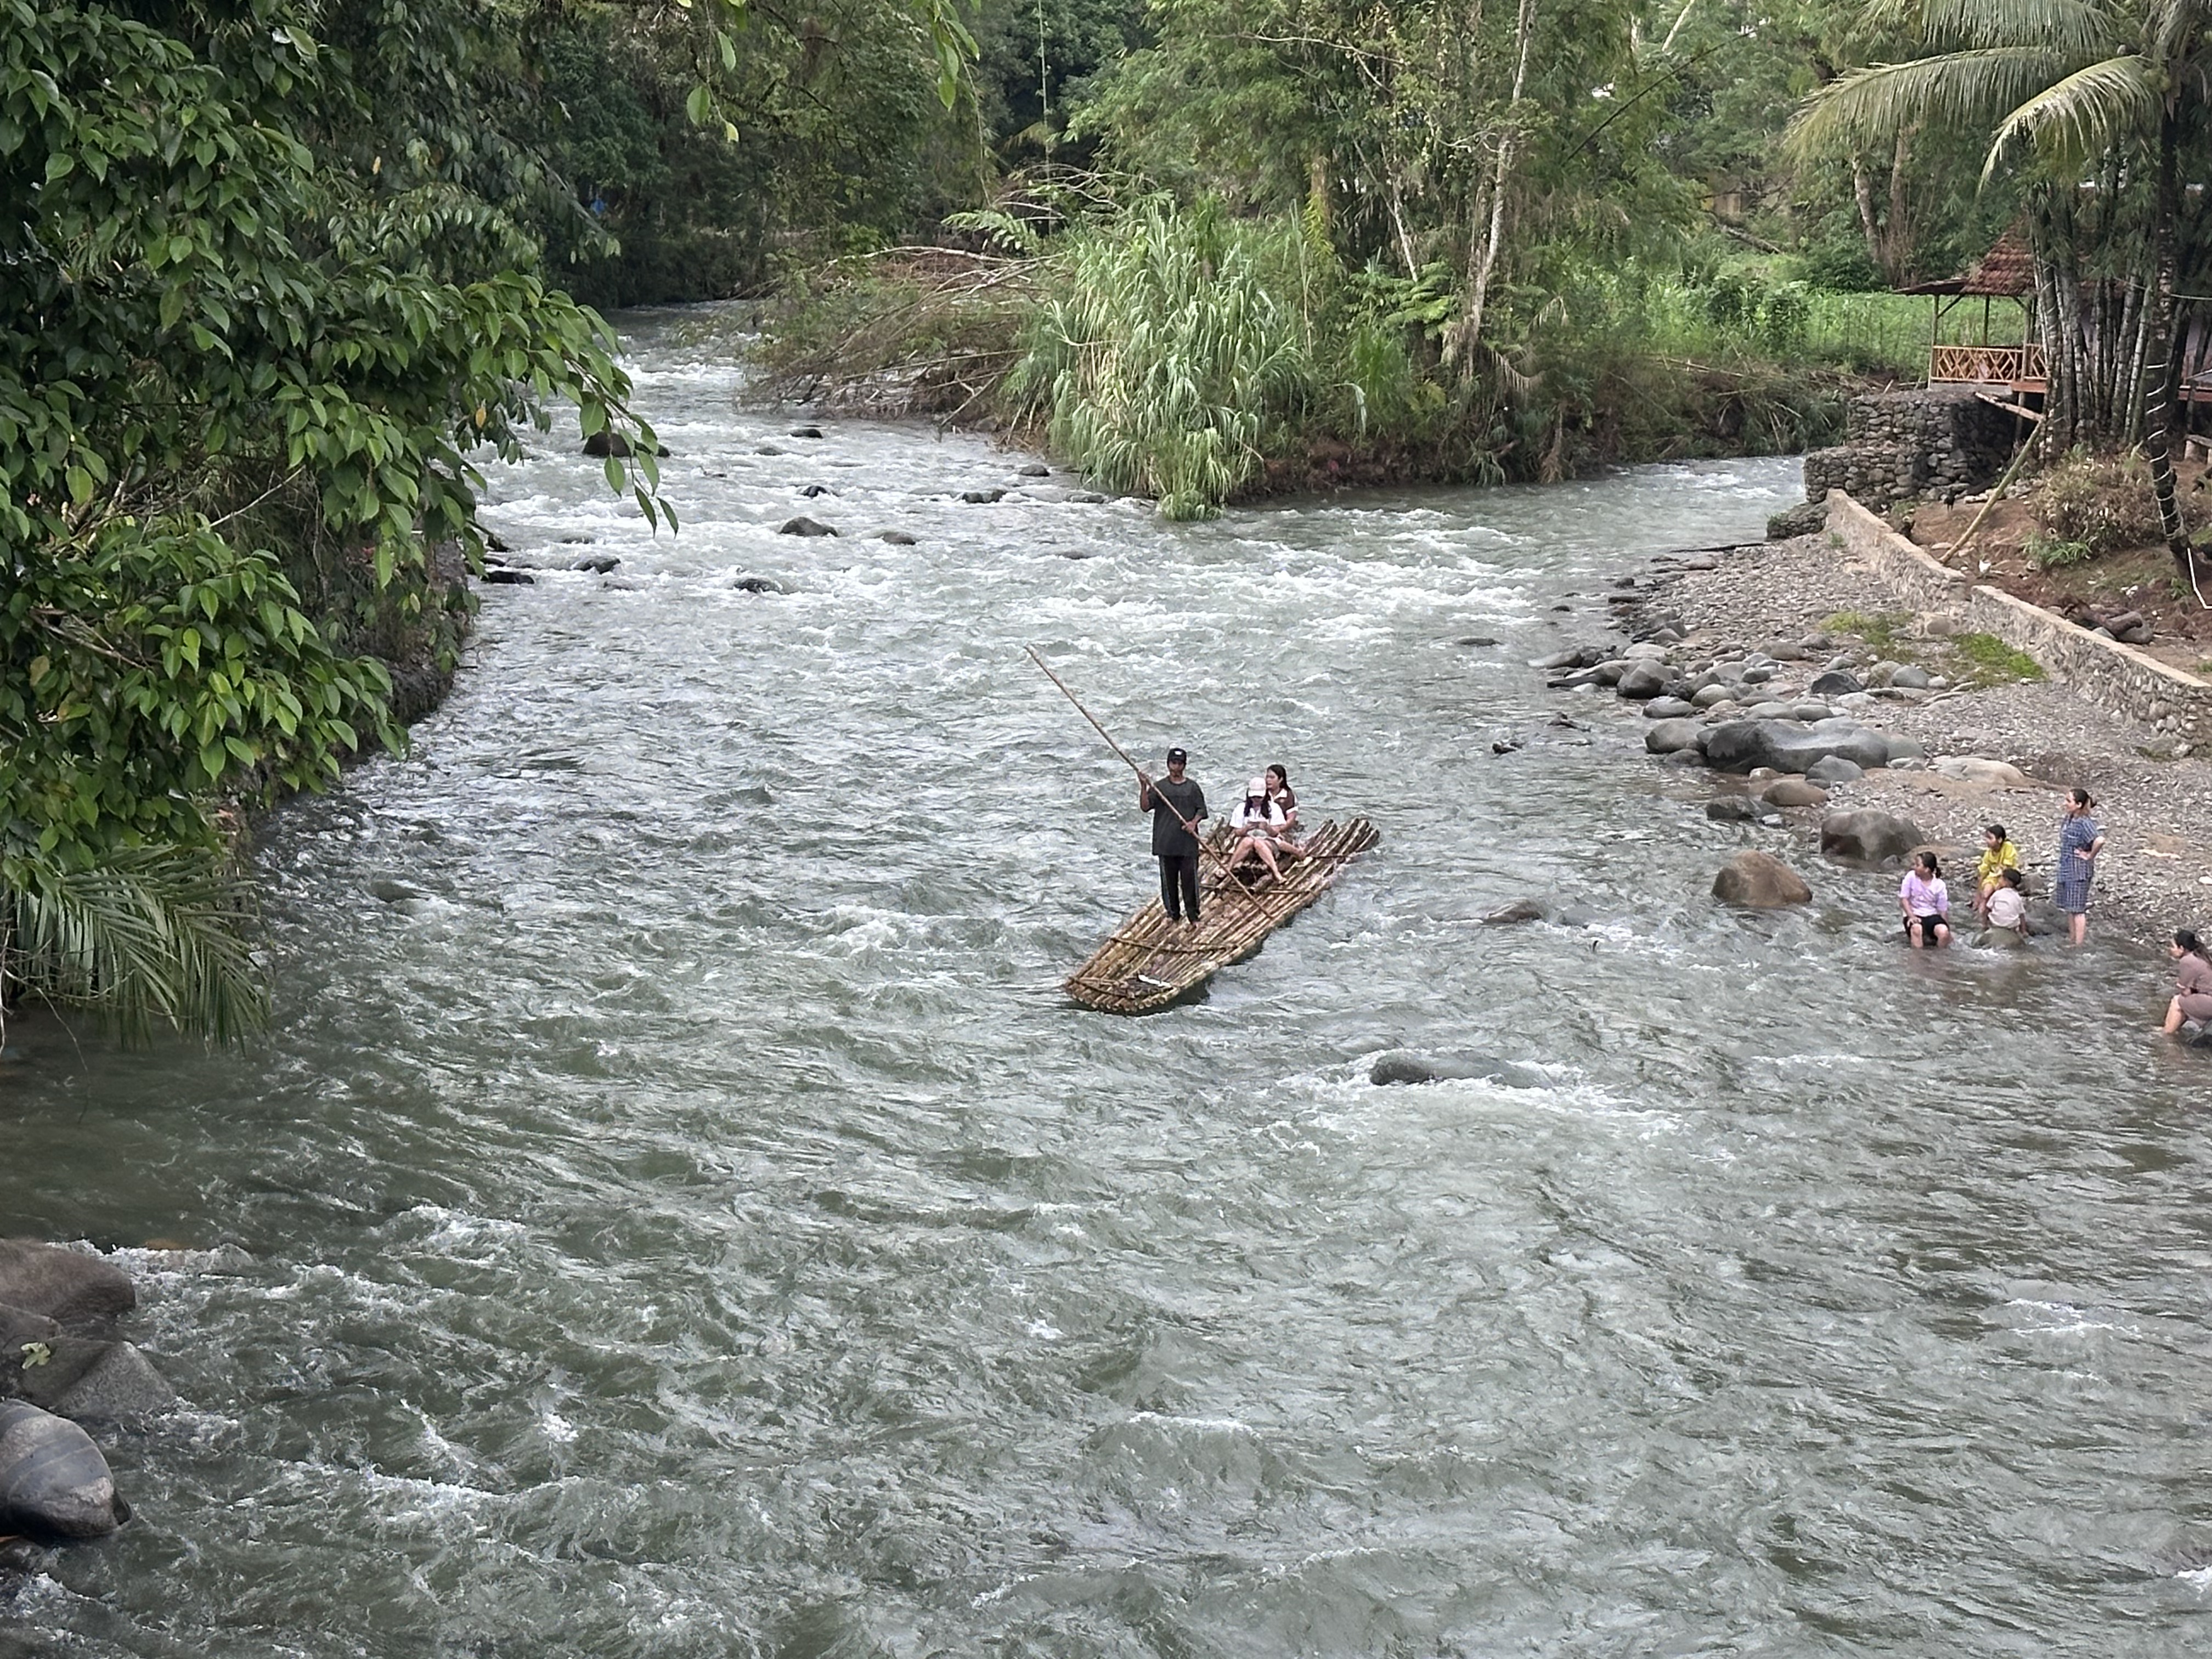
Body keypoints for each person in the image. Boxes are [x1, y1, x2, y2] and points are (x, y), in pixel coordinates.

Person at [1137, 747, 1207, 928]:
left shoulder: (1192, 787)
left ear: (1184, 765)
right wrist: (1143, 787)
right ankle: (1172, 914)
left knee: (1189, 881)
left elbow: (1202, 810)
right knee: (1168, 882)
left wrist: (1193, 823)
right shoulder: (1160, 787)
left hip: (1187, 844)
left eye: (1179, 763)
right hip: (1166, 842)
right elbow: (1145, 807)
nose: (1176, 767)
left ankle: (1194, 916)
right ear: (1168, 764)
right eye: (1173, 763)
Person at [2055, 788, 2106, 946]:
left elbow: (2100, 840)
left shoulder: (2085, 822)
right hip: (2066, 868)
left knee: (2078, 909)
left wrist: (2090, 856)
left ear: (2078, 804)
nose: (2065, 803)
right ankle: (2072, 939)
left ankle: (2079, 944)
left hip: (2079, 871)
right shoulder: (2069, 818)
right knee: (2070, 907)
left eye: (2069, 801)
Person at [1229, 776, 1289, 883]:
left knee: (1259, 843)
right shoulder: (1241, 808)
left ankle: (1276, 873)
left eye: (1259, 797)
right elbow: (1236, 832)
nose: (1256, 800)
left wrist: (1267, 828)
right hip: (1247, 844)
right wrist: (1246, 829)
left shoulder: (1273, 808)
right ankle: (1229, 868)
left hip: (1268, 843)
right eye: (1254, 797)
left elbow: (1276, 833)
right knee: (1249, 841)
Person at [2159, 929, 2212, 1035]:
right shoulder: (2202, 955)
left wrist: (2190, 990)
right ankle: (2172, 1028)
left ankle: (2166, 1034)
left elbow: (2183, 990)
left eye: (2173, 947)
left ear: (2182, 948)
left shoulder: (2187, 961)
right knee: (2187, 1000)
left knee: (2177, 1001)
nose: (2171, 950)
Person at [1899, 850, 1951, 948]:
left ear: (1927, 869)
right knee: (1916, 929)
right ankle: (1918, 959)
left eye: (1918, 865)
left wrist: (1948, 930)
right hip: (1915, 914)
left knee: (1943, 932)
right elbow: (1904, 899)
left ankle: (1939, 959)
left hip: (1932, 916)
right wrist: (1911, 916)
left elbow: (1942, 910)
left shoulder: (1939, 885)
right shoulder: (1911, 877)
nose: (1914, 867)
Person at [1973, 823, 2021, 919]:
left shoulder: (2008, 847)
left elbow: (2006, 867)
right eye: (1987, 838)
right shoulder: (1989, 853)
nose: (1987, 841)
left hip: (2007, 876)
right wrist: (1978, 895)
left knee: (1996, 894)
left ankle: (1990, 914)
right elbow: (1983, 873)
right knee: (1986, 894)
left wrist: (1998, 887)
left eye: (1990, 838)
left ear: (1999, 840)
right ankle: (1982, 918)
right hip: (1994, 876)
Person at [1264, 764, 1303, 859]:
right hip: (1265, 827)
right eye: (1267, 777)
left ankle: (1298, 852)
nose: (1268, 780)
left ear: (1281, 779)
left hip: (1282, 828)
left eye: (1272, 777)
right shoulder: (1262, 794)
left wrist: (1279, 829)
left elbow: (1291, 819)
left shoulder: (1288, 796)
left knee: (1279, 841)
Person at [1985, 866, 2028, 935]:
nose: (1999, 879)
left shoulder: (1997, 894)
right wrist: (2024, 931)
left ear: (2006, 882)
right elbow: (2022, 915)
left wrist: (1984, 924)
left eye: (2001, 878)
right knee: (2018, 916)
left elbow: (1987, 909)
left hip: (1996, 924)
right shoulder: (2017, 897)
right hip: (2010, 926)